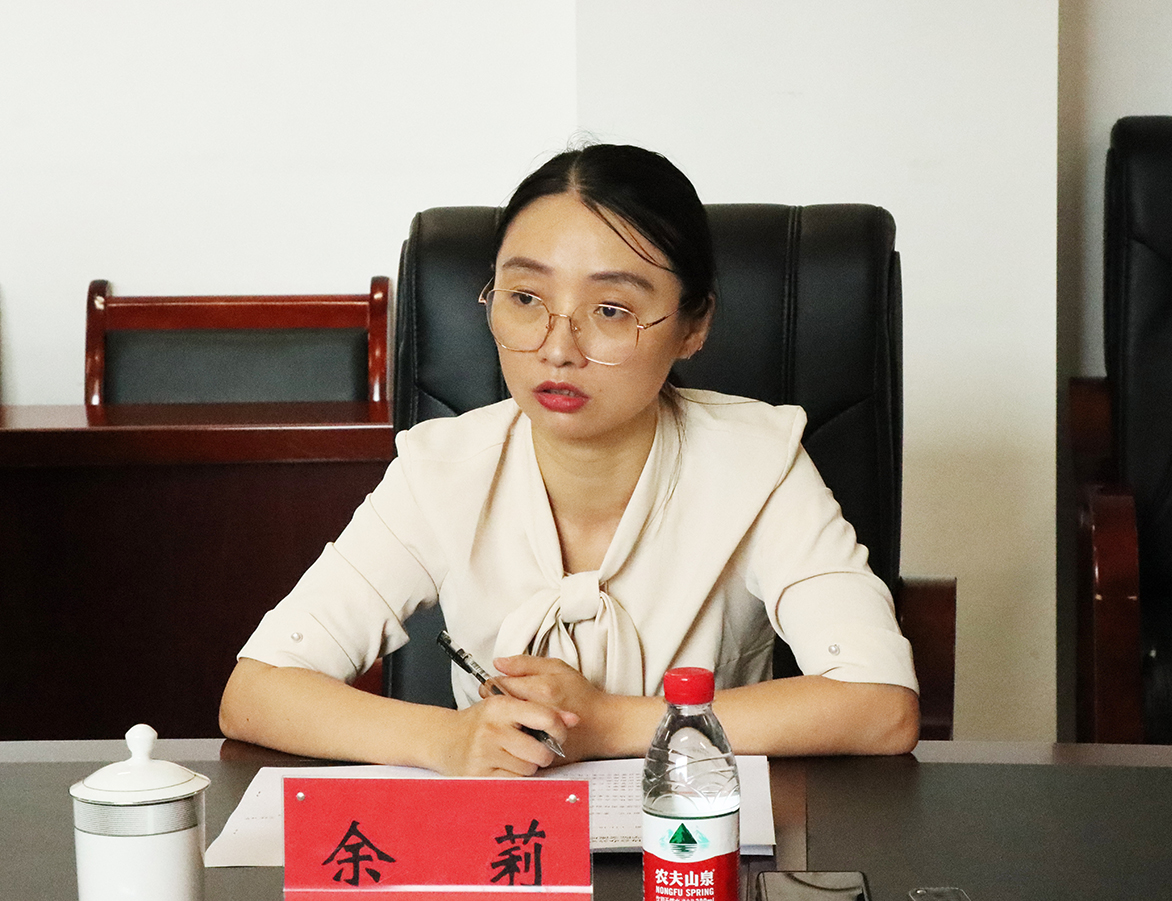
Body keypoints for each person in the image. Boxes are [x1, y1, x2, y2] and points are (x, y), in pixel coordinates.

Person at [220, 143, 920, 776]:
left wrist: (610, 723)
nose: (557, 348)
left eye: (611, 310)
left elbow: (881, 704)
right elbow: (255, 691)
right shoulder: (443, 469)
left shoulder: (757, 462)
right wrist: (448, 739)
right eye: (525, 298)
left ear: (694, 325)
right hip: (505, 843)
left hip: (698, 838)